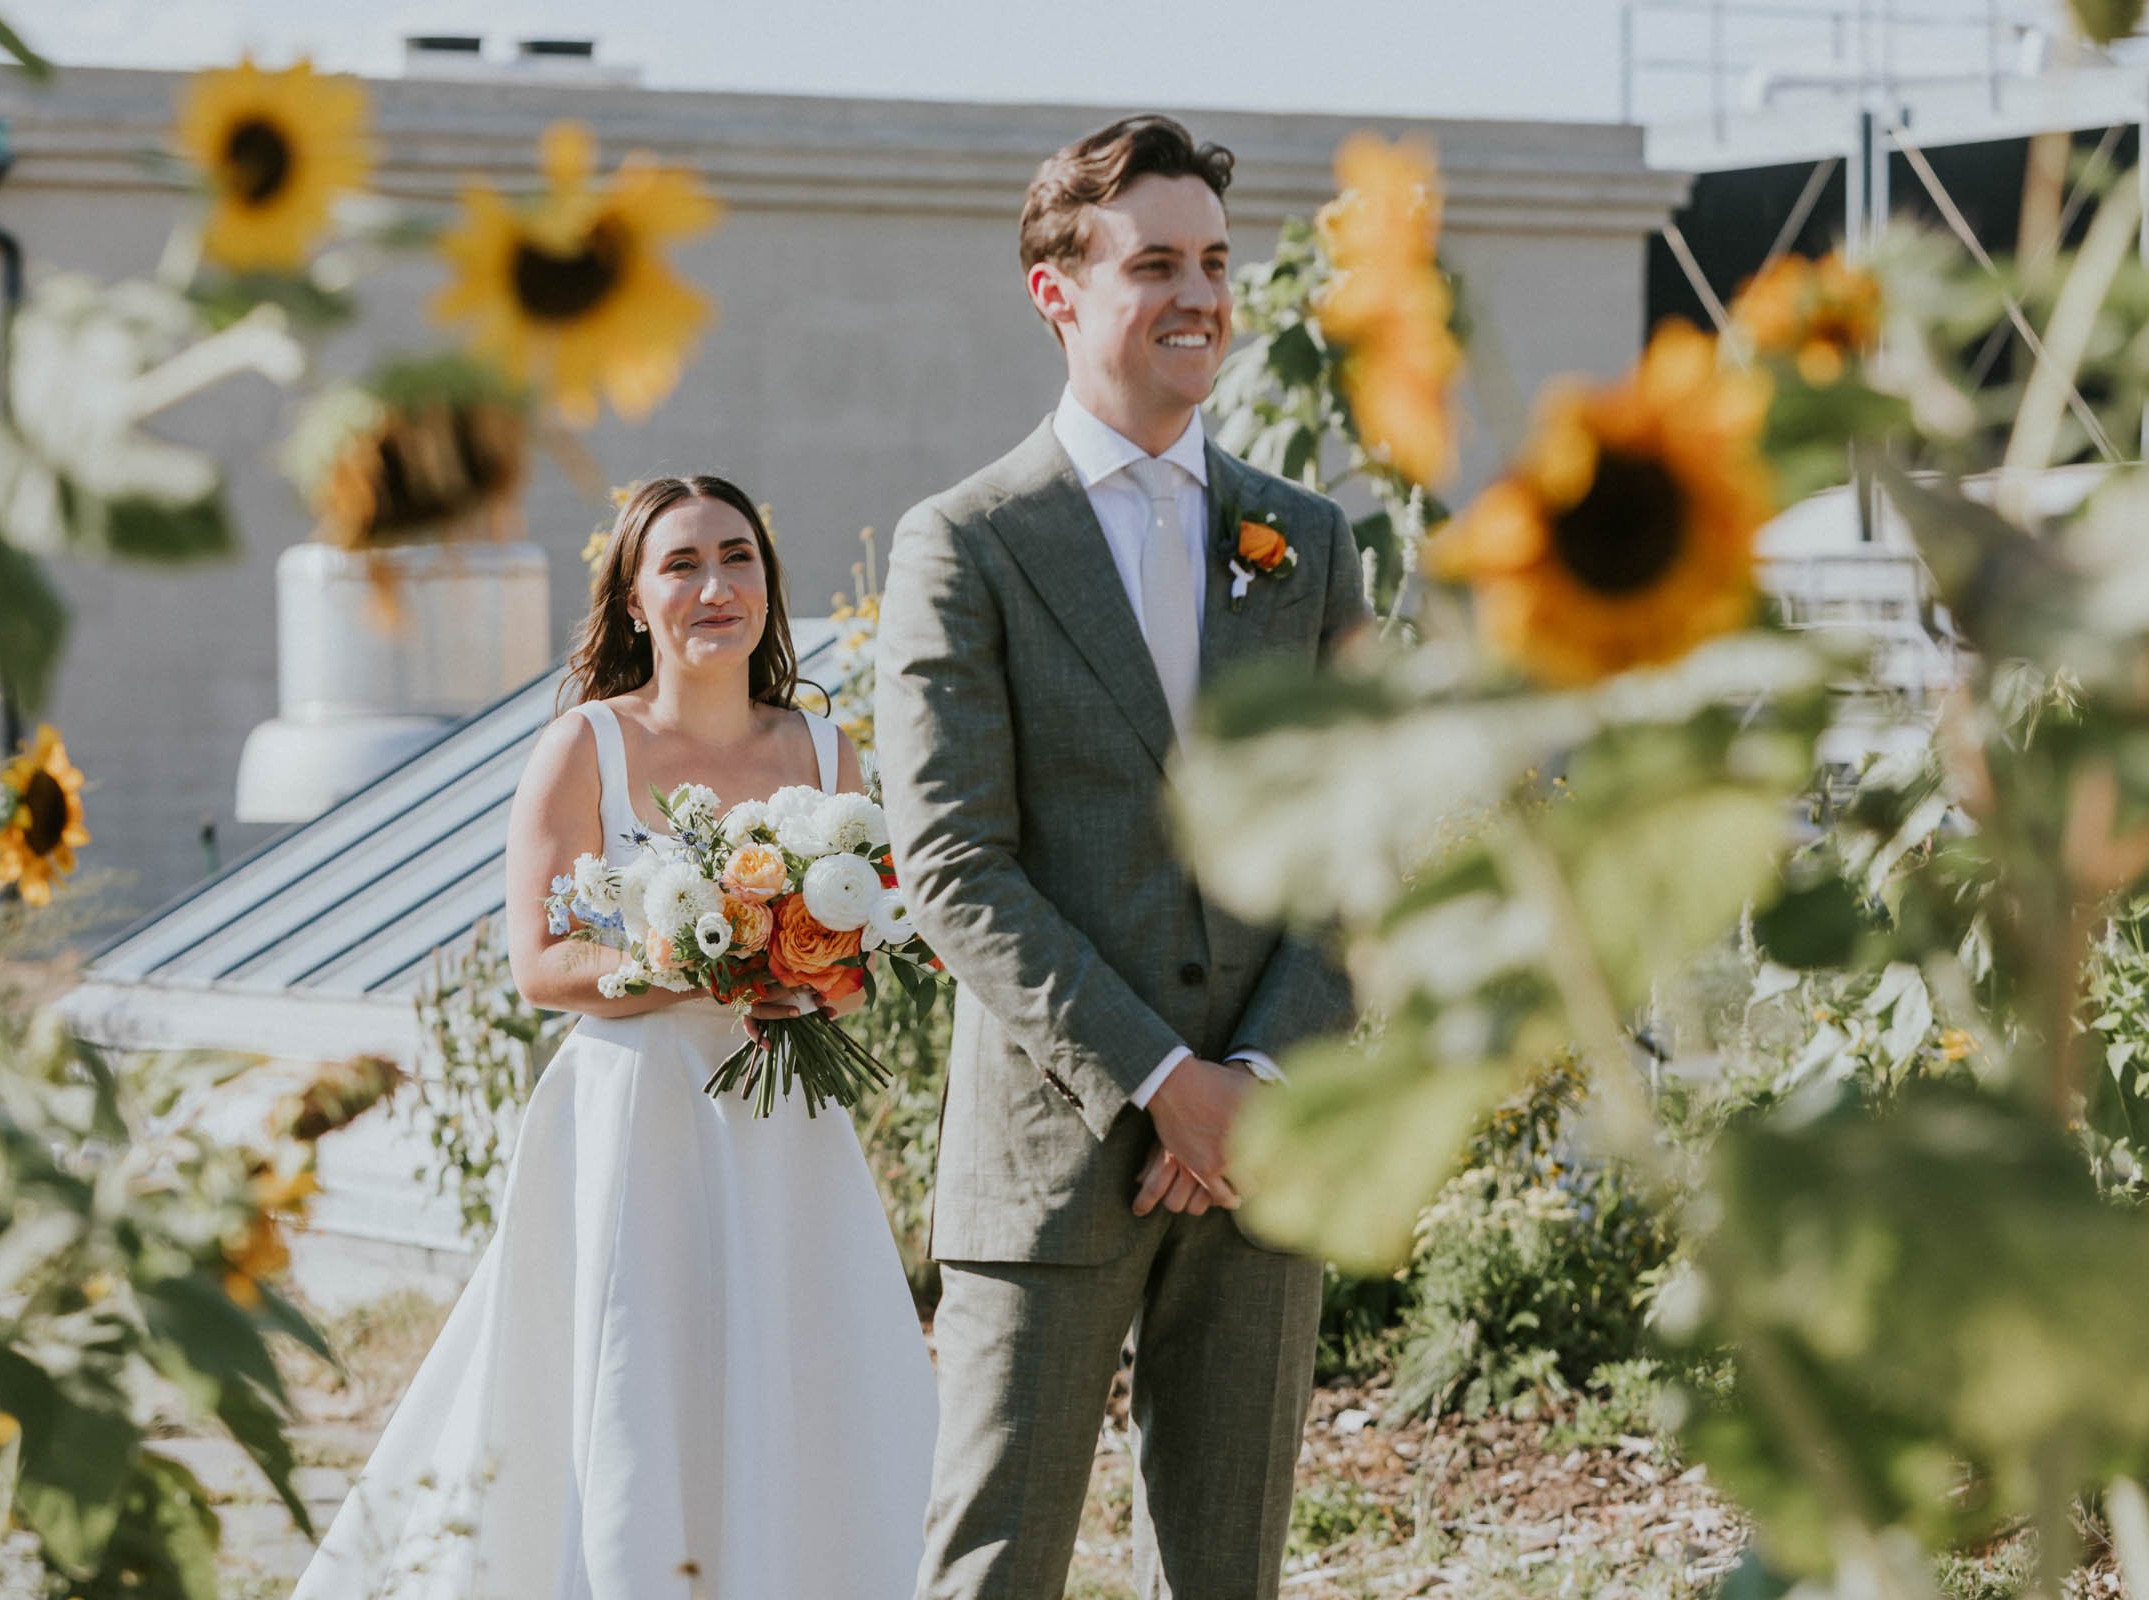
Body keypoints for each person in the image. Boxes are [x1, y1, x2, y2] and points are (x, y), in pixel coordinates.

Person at [876, 115, 1368, 1600]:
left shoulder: (1308, 539)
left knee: (1229, 1578)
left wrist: (1259, 1083)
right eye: (1154, 262)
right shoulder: (967, 542)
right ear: (1057, 289)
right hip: (1050, 1156)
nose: (1199, 295)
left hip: (1265, 1164)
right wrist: (1168, 1084)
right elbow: (955, 865)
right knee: (993, 1571)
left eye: (1215, 261)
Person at [292, 474, 937, 1599]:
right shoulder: (586, 745)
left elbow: (854, 973)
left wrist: (801, 979)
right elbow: (543, 964)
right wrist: (699, 959)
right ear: (636, 601)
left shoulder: (828, 760)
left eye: (738, 557)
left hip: (781, 1126)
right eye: (681, 564)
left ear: (767, 585)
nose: (716, 585)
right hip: (633, 1116)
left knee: (798, 1366)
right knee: (637, 1373)